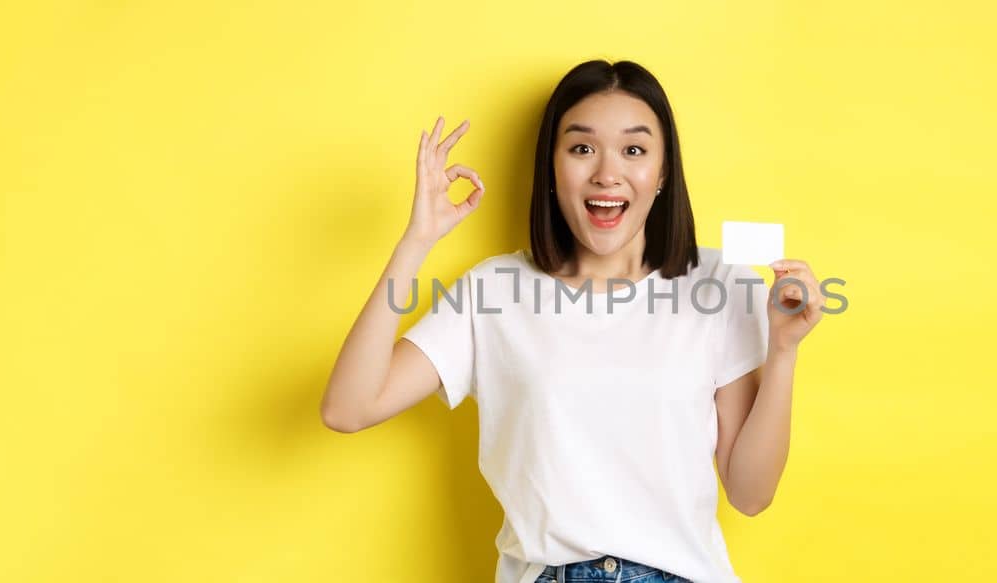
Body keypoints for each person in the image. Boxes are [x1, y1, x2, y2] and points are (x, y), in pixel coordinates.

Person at [321, 59, 826, 583]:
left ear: (663, 172)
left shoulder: (720, 282)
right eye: (582, 148)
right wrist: (417, 240)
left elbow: (750, 495)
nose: (607, 172)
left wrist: (784, 351)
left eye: (634, 150)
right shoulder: (492, 290)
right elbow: (348, 407)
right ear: (553, 166)